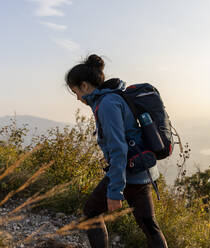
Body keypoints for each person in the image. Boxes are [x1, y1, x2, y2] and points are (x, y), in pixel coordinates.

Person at [65, 54, 168, 248]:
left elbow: (118, 149)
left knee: (91, 213)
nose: (78, 98)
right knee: (149, 225)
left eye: (75, 91)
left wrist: (115, 190)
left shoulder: (107, 105)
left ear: (85, 86)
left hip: (129, 173)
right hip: (143, 171)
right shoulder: (114, 97)